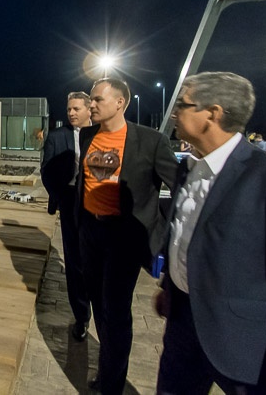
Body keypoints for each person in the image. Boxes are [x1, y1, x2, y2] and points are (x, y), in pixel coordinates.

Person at [151, 72, 266, 394]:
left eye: (182, 104)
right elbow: (185, 233)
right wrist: (170, 286)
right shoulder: (188, 168)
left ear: (213, 114)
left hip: (243, 347)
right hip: (184, 326)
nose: (175, 112)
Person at [77, 77, 178, 394]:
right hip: (90, 233)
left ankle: (112, 384)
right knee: (98, 304)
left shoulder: (151, 142)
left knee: (116, 312)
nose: (91, 105)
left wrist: (159, 230)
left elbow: (182, 190)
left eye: (98, 99)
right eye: (91, 99)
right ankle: (107, 365)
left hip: (124, 238)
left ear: (120, 102)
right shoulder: (88, 136)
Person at [40, 91, 92, 341]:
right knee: (74, 261)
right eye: (69, 108)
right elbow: (46, 171)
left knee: (95, 259)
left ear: (89, 109)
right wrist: (60, 197)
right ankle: (81, 316)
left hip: (97, 203)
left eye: (76, 109)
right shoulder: (57, 136)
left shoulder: (101, 134)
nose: (71, 113)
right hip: (70, 201)